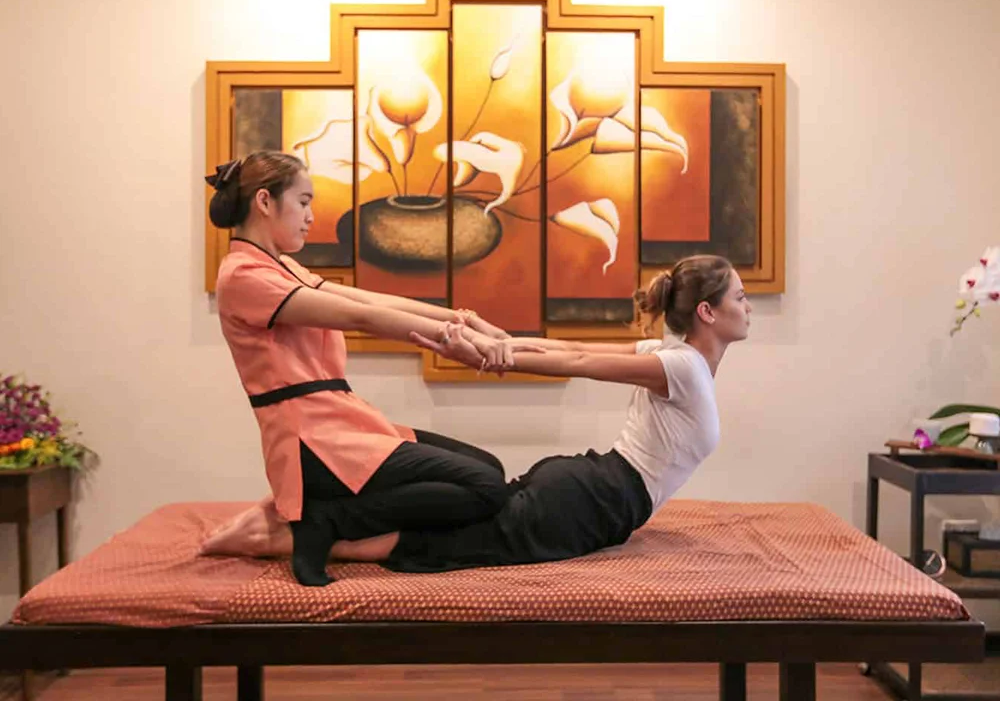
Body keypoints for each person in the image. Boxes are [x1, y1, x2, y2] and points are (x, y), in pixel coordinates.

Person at [205, 150, 538, 586]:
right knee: (485, 487)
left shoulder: (281, 267)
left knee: (487, 468)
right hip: (311, 440)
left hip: (339, 422)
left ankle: (328, 517)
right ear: (265, 201)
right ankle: (328, 523)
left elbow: (368, 300)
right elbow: (361, 318)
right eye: (303, 202)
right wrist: (457, 342)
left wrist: (465, 321)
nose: (310, 216)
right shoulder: (243, 276)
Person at [321, 255, 751, 573]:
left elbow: (571, 349)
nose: (748, 307)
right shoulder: (683, 366)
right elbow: (577, 360)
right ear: (707, 312)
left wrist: (498, 344)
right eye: (740, 297)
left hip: (588, 486)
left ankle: (333, 525)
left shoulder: (671, 357)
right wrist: (491, 354)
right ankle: (328, 538)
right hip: (599, 500)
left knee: (468, 524)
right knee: (455, 546)